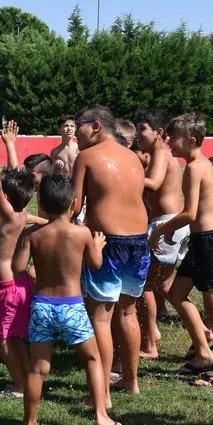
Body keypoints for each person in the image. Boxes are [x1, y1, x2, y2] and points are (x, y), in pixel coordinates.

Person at [12, 174, 121, 425]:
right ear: (74, 203)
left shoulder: (34, 235)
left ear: (42, 203)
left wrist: (27, 249)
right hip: (71, 307)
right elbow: (95, 265)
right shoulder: (81, 233)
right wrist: (97, 245)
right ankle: (101, 417)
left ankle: (29, 423)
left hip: (42, 307)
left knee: (38, 366)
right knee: (92, 359)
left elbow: (17, 268)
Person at [149, 113, 213, 387]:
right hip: (201, 241)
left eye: (173, 138)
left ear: (190, 140)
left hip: (210, 241)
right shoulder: (198, 164)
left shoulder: (196, 167)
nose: (168, 142)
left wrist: (161, 231)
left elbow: (189, 213)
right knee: (177, 293)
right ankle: (202, 352)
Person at [72, 105, 150, 400]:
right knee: (128, 313)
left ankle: (101, 390)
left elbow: (75, 206)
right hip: (139, 241)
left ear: (94, 127)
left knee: (101, 318)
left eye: (79, 125)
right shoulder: (133, 157)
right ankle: (131, 381)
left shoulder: (87, 157)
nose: (76, 133)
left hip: (108, 242)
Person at [0, 136, 36, 398]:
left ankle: (19, 387)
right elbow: (18, 180)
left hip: (7, 289)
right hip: (22, 284)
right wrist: (10, 145)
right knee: (16, 337)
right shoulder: (22, 212)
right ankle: (27, 381)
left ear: (7, 197)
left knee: (3, 339)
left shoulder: (9, 215)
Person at [135, 109, 190, 360]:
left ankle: (149, 343)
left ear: (158, 133)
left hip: (166, 224)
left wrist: (123, 173)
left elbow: (154, 183)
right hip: (168, 223)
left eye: (142, 129)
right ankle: (202, 331)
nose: (137, 134)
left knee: (145, 285)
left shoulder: (160, 153)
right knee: (165, 287)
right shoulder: (159, 153)